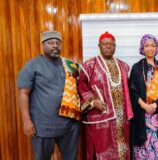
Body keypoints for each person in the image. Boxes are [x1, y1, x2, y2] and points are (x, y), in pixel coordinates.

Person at [17, 31, 80, 160]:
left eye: (57, 43)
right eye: (50, 43)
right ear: (43, 45)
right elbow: (24, 93)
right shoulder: (32, 66)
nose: (55, 46)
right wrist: (26, 121)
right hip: (43, 127)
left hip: (69, 125)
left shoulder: (70, 65)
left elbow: (78, 90)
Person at [78, 31, 133, 160]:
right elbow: (81, 87)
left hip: (122, 118)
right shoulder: (89, 65)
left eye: (111, 44)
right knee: (102, 151)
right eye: (105, 44)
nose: (108, 46)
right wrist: (93, 101)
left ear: (115, 46)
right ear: (99, 46)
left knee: (122, 150)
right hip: (101, 117)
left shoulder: (123, 66)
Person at [129, 34, 158, 160]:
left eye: (153, 45)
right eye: (147, 45)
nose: (150, 48)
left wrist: (155, 105)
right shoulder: (136, 68)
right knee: (142, 150)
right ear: (142, 48)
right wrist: (144, 105)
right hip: (141, 116)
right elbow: (132, 90)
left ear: (157, 47)